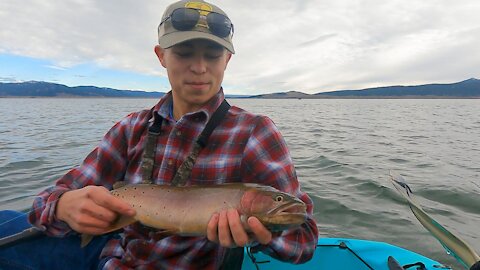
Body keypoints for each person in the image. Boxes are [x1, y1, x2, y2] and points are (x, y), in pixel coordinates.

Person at [0, 0, 318, 269]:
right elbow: (46, 202)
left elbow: (304, 240)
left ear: (228, 60)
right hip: (109, 256)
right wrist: (64, 206)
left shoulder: (255, 132)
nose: (199, 67)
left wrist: (267, 232)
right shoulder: (131, 128)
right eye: (184, 53)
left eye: (212, 55)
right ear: (161, 55)